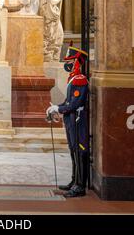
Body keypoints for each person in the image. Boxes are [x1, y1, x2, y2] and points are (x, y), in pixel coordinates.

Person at [46, 45, 89, 198]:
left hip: (77, 121)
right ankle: (74, 181)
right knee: (73, 150)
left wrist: (60, 108)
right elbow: (67, 102)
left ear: (76, 62)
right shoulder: (73, 79)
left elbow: (75, 104)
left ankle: (80, 186)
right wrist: (56, 108)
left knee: (80, 151)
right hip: (71, 120)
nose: (67, 64)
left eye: (70, 61)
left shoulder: (80, 80)